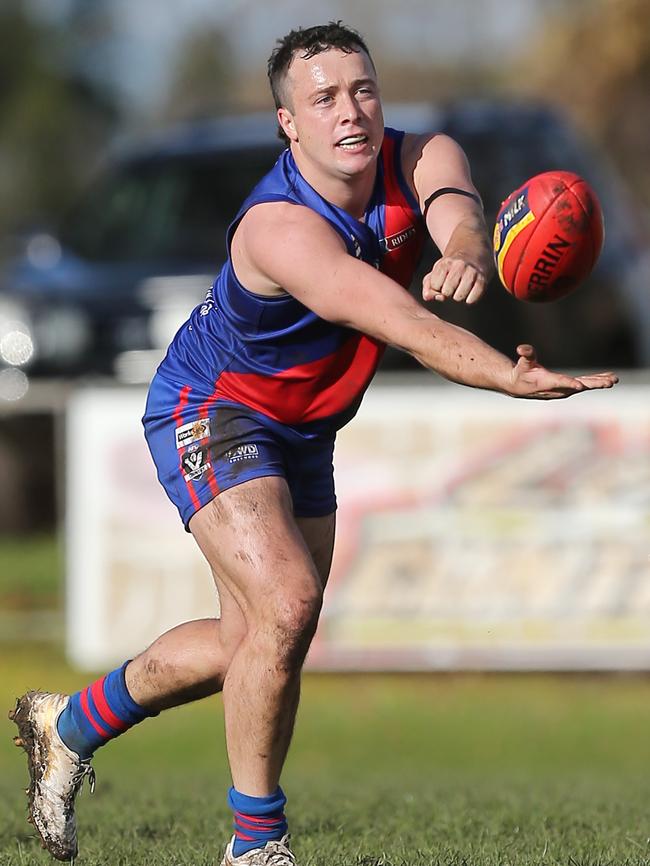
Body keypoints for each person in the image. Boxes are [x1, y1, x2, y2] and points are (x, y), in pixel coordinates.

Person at [9, 21, 617, 866]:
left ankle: (65, 725)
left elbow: (456, 210)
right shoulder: (277, 227)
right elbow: (403, 322)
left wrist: (473, 252)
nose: (350, 111)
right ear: (289, 125)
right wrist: (508, 377)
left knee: (256, 640)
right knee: (287, 603)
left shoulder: (423, 153)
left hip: (304, 429)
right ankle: (257, 845)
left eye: (362, 89)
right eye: (323, 98)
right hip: (211, 406)